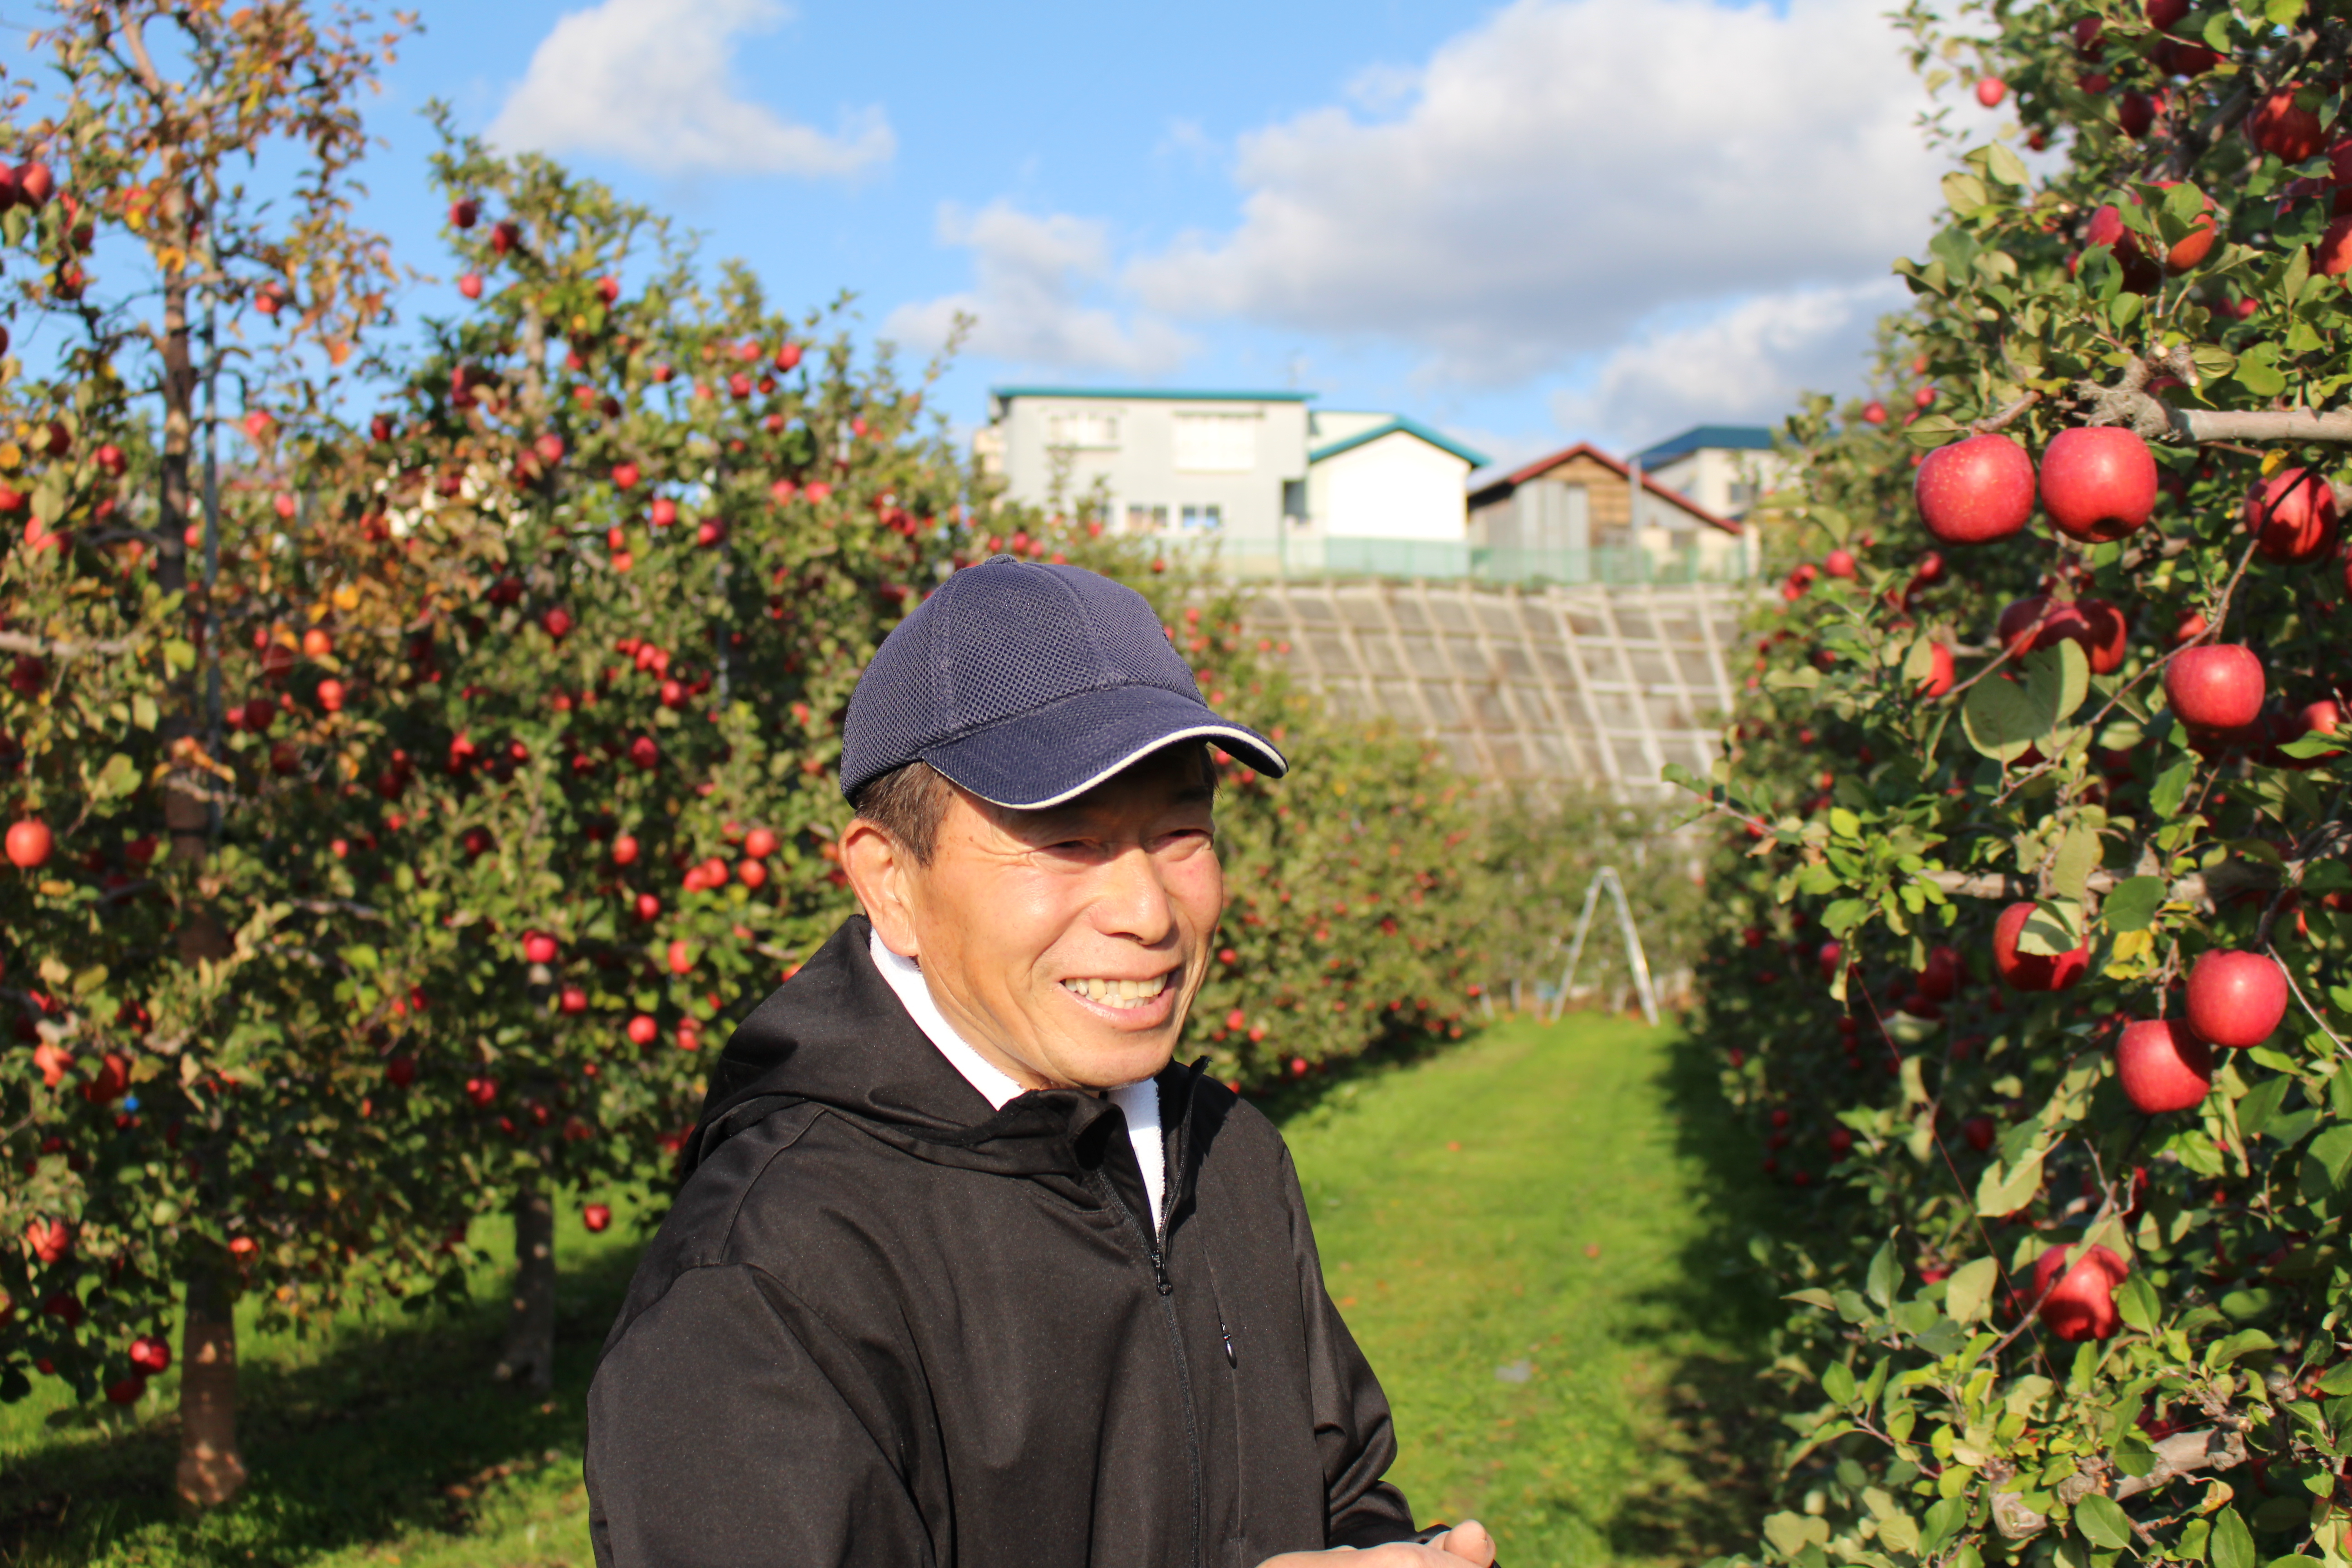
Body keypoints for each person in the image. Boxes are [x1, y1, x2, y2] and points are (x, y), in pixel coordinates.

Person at [584, 555, 1496, 1568]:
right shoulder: (768, 1274)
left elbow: (1342, 1490)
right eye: (1066, 840)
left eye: (1181, 832)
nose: (1148, 913)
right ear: (890, 881)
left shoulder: (1228, 1157)